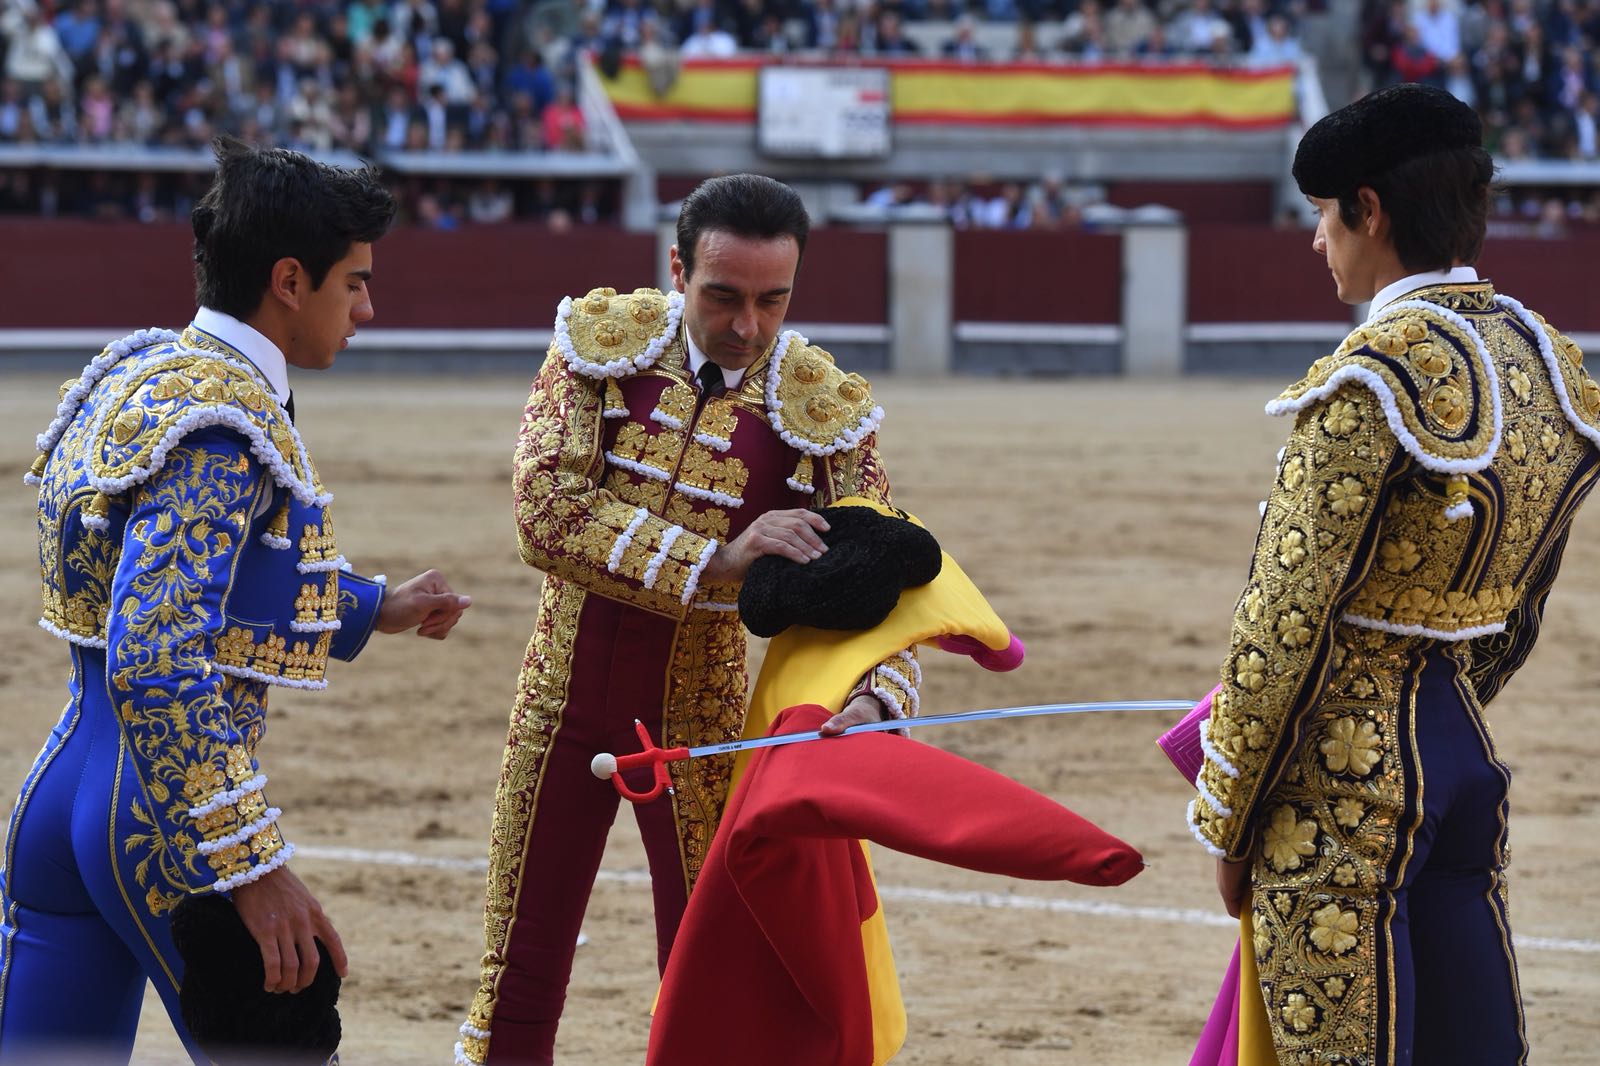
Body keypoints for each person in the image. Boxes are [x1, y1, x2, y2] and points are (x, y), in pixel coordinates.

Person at [0, 134, 472, 1062]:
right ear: (290, 281)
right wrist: (248, 863)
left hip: (63, 790)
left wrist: (369, 605)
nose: (367, 309)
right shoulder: (224, 425)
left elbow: (183, 578)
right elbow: (155, 649)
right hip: (161, 825)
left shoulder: (140, 372)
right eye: (355, 283)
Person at [457, 173, 918, 1066]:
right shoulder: (599, 345)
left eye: (773, 300)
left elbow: (881, 571)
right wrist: (720, 559)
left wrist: (874, 696)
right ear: (677, 271)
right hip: (557, 702)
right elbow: (544, 510)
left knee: (709, 976)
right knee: (517, 972)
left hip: (704, 726)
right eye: (723, 296)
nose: (748, 326)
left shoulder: (821, 408)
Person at [1187, 83, 1600, 1064]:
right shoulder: (1543, 360)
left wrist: (1228, 818)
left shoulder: (1373, 374)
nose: (1316, 240)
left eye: (1323, 216)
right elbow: (1522, 601)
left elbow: (1286, 618)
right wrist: (1447, 701)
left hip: (1341, 777)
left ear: (1368, 210)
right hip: (1463, 749)